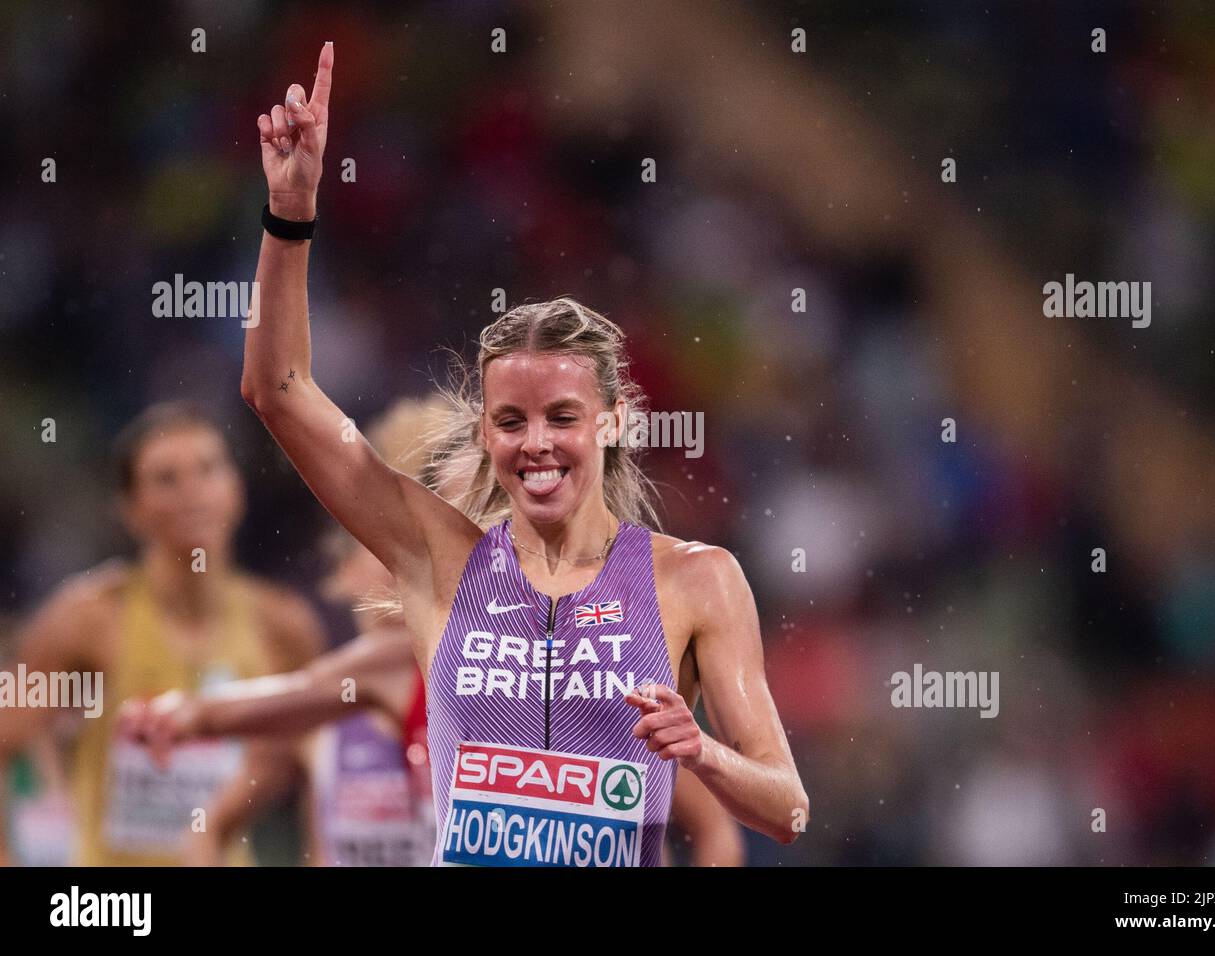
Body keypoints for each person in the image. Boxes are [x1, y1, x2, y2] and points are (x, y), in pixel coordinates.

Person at [242, 42, 807, 866]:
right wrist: (291, 213)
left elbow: (787, 806)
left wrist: (702, 750)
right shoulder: (438, 558)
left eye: (562, 417)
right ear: (485, 434)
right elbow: (279, 390)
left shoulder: (696, 580)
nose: (536, 444)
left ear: (612, 422)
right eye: (511, 420)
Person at [125, 399, 745, 866]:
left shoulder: (599, 670)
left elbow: (716, 822)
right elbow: (276, 705)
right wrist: (184, 716)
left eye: (481, 523)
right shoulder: (395, 664)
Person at [0, 401, 326, 865]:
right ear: (130, 510)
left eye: (208, 469)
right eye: (166, 479)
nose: (192, 492)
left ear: (236, 489)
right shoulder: (88, 618)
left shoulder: (281, 626)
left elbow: (324, 772)